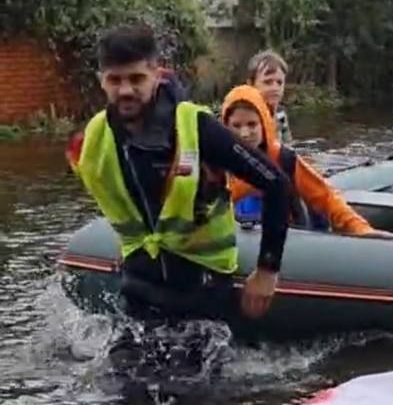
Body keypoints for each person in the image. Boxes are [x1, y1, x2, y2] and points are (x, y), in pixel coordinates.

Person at [68, 24, 290, 322]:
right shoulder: (94, 137)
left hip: (201, 288)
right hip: (140, 284)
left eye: (136, 79)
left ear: (157, 76)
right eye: (114, 80)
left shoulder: (195, 126)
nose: (125, 90)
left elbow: (276, 183)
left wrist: (267, 271)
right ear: (101, 81)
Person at [222, 85, 379, 236]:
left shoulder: (284, 159)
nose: (244, 134)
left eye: (252, 124)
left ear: (264, 124)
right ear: (225, 127)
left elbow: (326, 197)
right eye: (236, 125)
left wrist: (360, 228)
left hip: (287, 239)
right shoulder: (216, 163)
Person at [247, 50, 292, 145]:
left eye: (279, 83)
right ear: (251, 84)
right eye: (267, 82)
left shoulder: (281, 114)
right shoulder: (241, 116)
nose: (275, 88)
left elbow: (289, 147)